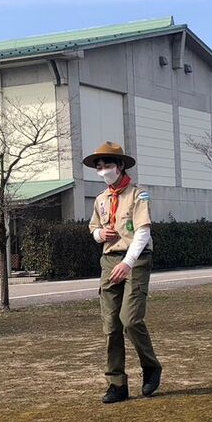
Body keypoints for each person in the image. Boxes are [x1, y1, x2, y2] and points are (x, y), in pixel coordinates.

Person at [86, 141, 162, 404]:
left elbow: (143, 232)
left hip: (135, 259)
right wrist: (100, 234)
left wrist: (128, 263)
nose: (103, 170)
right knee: (111, 325)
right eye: (99, 166)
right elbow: (93, 228)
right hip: (109, 259)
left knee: (130, 320)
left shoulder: (139, 194)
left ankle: (150, 366)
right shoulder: (101, 199)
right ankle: (116, 384)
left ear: (120, 166)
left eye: (107, 164)